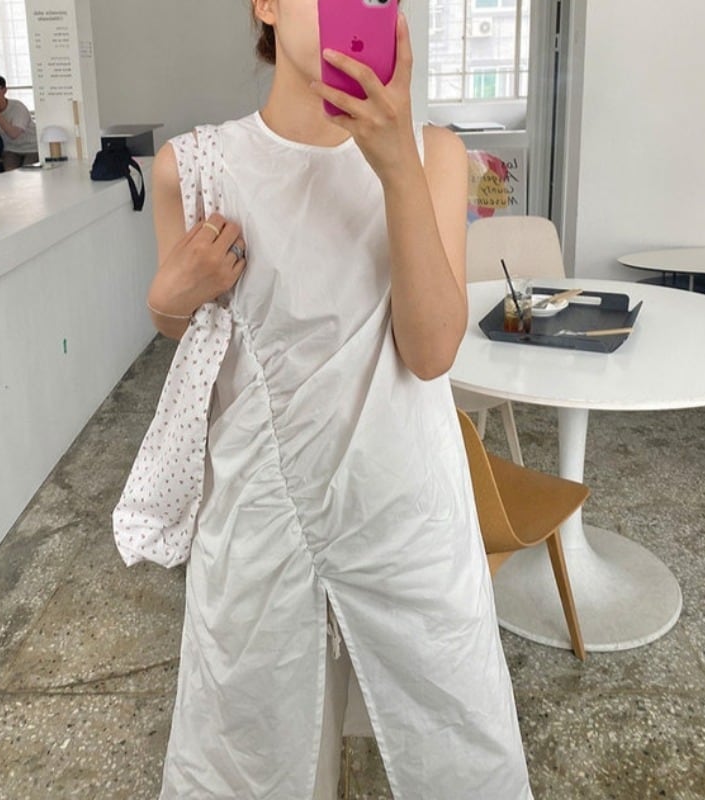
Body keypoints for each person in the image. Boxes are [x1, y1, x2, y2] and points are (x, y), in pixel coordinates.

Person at [145, 1, 533, 797]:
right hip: (257, 507)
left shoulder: (434, 153)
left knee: (458, 736)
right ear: (267, 5)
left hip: (404, 502)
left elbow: (431, 352)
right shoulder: (193, 167)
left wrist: (396, 168)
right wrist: (164, 301)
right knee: (248, 746)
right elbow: (189, 330)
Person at [0, 74, 38, 171]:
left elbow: (14, 134)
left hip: (32, 148)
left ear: (4, 90)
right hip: (11, 149)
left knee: (28, 172)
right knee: (10, 173)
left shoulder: (17, 107)